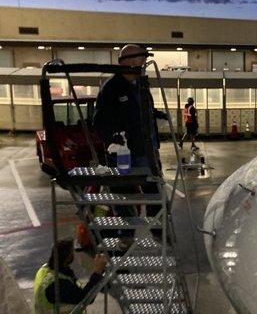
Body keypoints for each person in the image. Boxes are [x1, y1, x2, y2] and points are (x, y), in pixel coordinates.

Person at [93, 44, 168, 247]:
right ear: (129, 61)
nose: (144, 64)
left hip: (147, 150)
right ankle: (126, 233)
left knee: (155, 190)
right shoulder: (111, 89)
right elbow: (99, 122)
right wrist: (114, 139)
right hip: (124, 153)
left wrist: (159, 116)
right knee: (124, 194)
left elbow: (146, 111)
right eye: (142, 59)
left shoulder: (140, 85)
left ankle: (159, 230)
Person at [34, 239, 106, 313]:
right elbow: (84, 298)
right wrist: (97, 271)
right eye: (73, 253)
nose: (77, 256)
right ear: (68, 257)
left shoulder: (44, 269)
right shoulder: (59, 284)